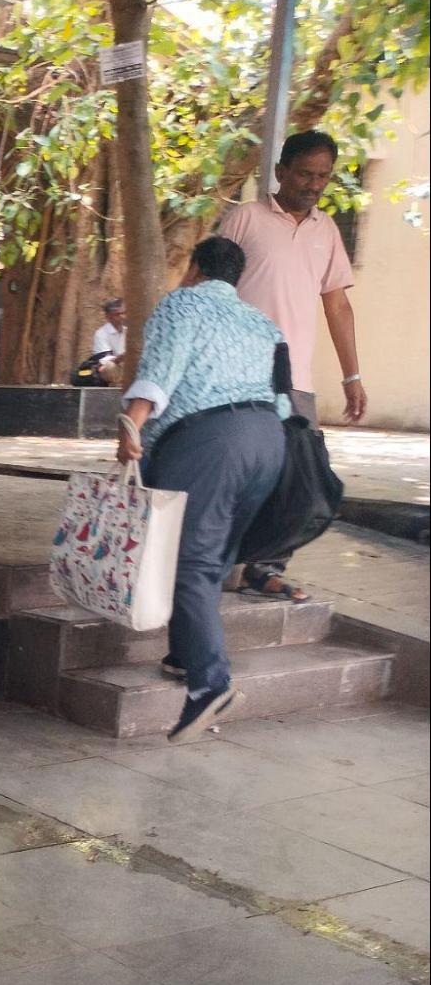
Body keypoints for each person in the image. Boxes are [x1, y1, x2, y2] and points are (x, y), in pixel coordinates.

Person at [115, 235, 288, 744]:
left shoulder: (183, 303)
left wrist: (131, 426)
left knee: (191, 560)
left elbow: (159, 373)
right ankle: (183, 652)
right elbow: (283, 395)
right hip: (270, 441)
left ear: (194, 269)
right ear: (236, 278)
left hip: (211, 442)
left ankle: (210, 685)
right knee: (212, 556)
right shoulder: (264, 324)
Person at [219, 128, 364, 602]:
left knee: (295, 478)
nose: (314, 184)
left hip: (295, 380)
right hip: (236, 375)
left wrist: (352, 375)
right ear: (281, 171)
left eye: (323, 176)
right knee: (235, 470)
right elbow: (209, 288)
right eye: (305, 174)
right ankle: (215, 563)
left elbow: (337, 305)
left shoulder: (327, 231)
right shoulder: (245, 219)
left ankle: (264, 568)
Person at [93, 298, 126, 378]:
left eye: (123, 313)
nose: (122, 317)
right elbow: (104, 360)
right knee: (110, 367)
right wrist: (121, 358)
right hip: (113, 368)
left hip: (127, 367)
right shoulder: (101, 334)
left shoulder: (128, 332)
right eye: (117, 314)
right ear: (108, 316)